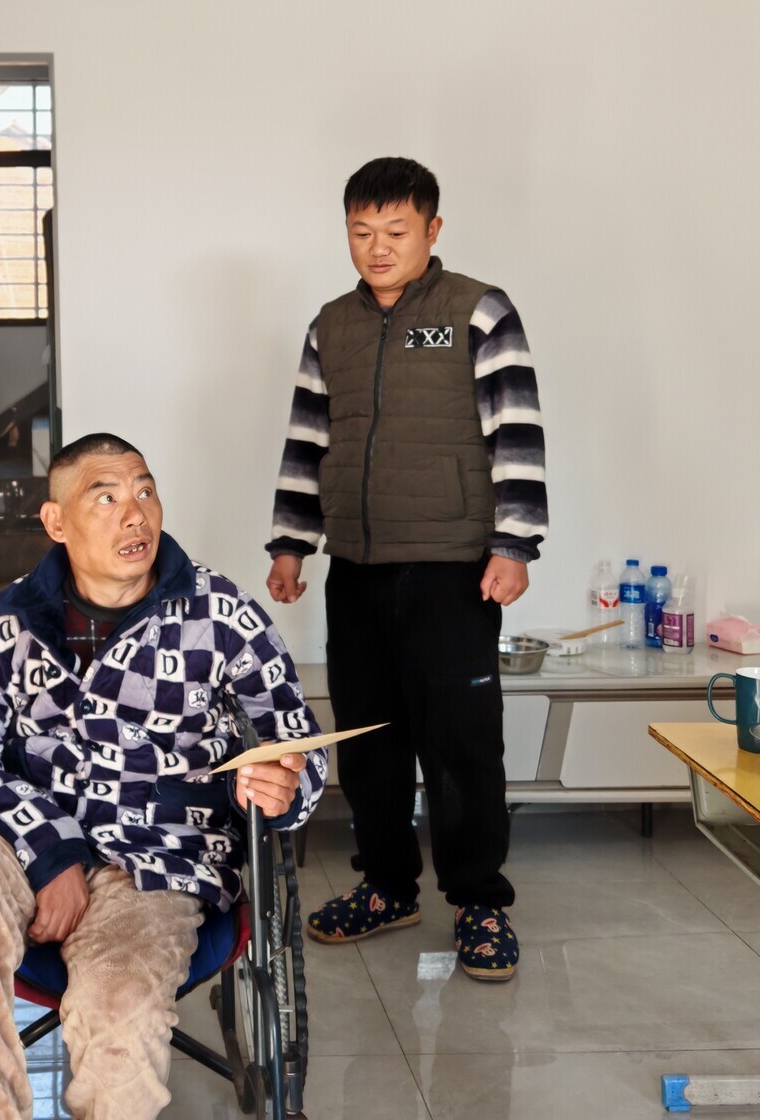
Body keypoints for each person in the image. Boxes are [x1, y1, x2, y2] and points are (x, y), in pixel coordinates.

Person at [0, 433, 324, 1120]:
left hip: (156, 866)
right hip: (20, 847)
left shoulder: (220, 614)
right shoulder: (8, 623)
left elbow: (297, 741)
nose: (135, 515)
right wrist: (51, 853)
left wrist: (285, 786)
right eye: (105, 498)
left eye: (145, 491)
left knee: (119, 1016)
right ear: (56, 522)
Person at [265, 156, 547, 978]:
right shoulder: (331, 326)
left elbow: (517, 429)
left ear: (432, 229)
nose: (378, 247)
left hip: (453, 570)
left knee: (461, 745)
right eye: (362, 232)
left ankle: (479, 901)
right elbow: (307, 439)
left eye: (396, 230)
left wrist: (514, 544)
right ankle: (387, 886)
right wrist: (290, 542)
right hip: (357, 567)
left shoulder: (477, 311)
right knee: (369, 742)